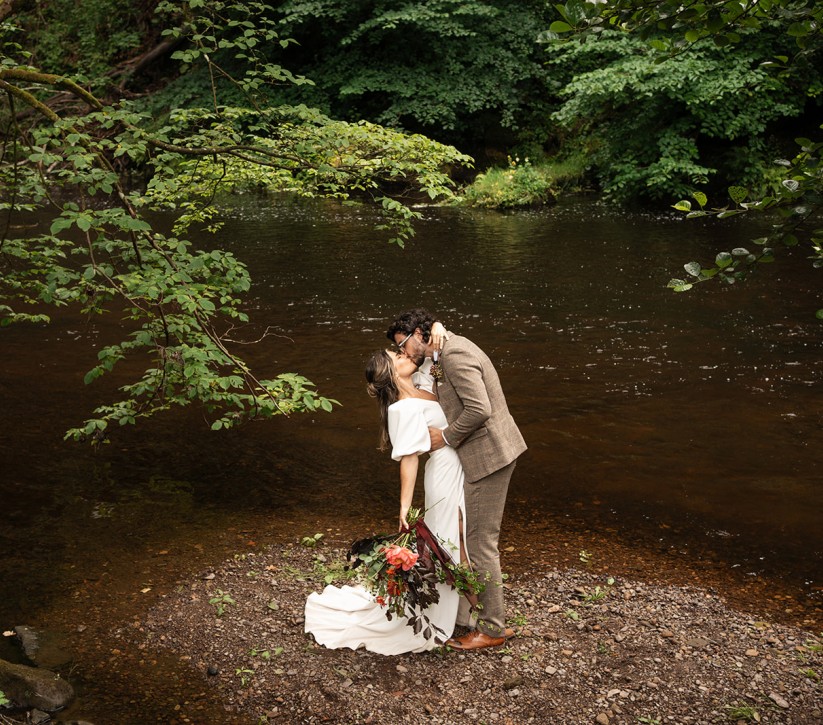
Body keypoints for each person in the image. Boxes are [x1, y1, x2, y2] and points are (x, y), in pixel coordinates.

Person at [303, 346, 467, 654]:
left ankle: (463, 609)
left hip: (460, 463)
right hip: (444, 471)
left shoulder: (421, 382)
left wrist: (439, 329)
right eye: (398, 358)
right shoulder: (400, 408)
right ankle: (443, 614)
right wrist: (404, 505)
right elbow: (408, 457)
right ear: (390, 373)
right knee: (448, 541)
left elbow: (437, 358)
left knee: (459, 537)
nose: (406, 356)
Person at [386, 308, 527, 651]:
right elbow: (437, 382)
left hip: (488, 456)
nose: (404, 353)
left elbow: (479, 410)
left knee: (480, 543)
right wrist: (437, 333)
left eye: (403, 345)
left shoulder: (455, 354)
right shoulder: (441, 354)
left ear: (418, 334)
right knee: (469, 539)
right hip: (481, 455)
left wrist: (446, 438)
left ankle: (493, 629)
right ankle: (465, 618)